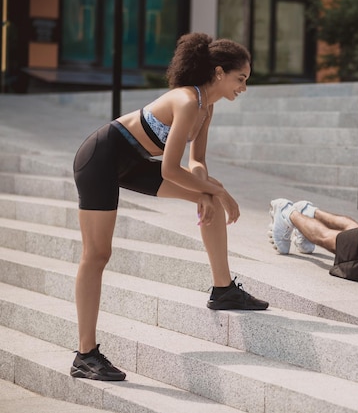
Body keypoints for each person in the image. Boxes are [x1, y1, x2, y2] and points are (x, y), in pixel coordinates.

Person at [71, 33, 268, 382]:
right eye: (241, 79)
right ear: (219, 73)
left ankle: (223, 290)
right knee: (97, 254)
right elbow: (169, 169)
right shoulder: (187, 101)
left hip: (133, 161)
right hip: (100, 158)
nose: (244, 87)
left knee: (208, 196)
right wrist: (220, 193)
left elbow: (198, 161)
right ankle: (85, 355)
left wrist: (207, 191)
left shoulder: (207, 108)